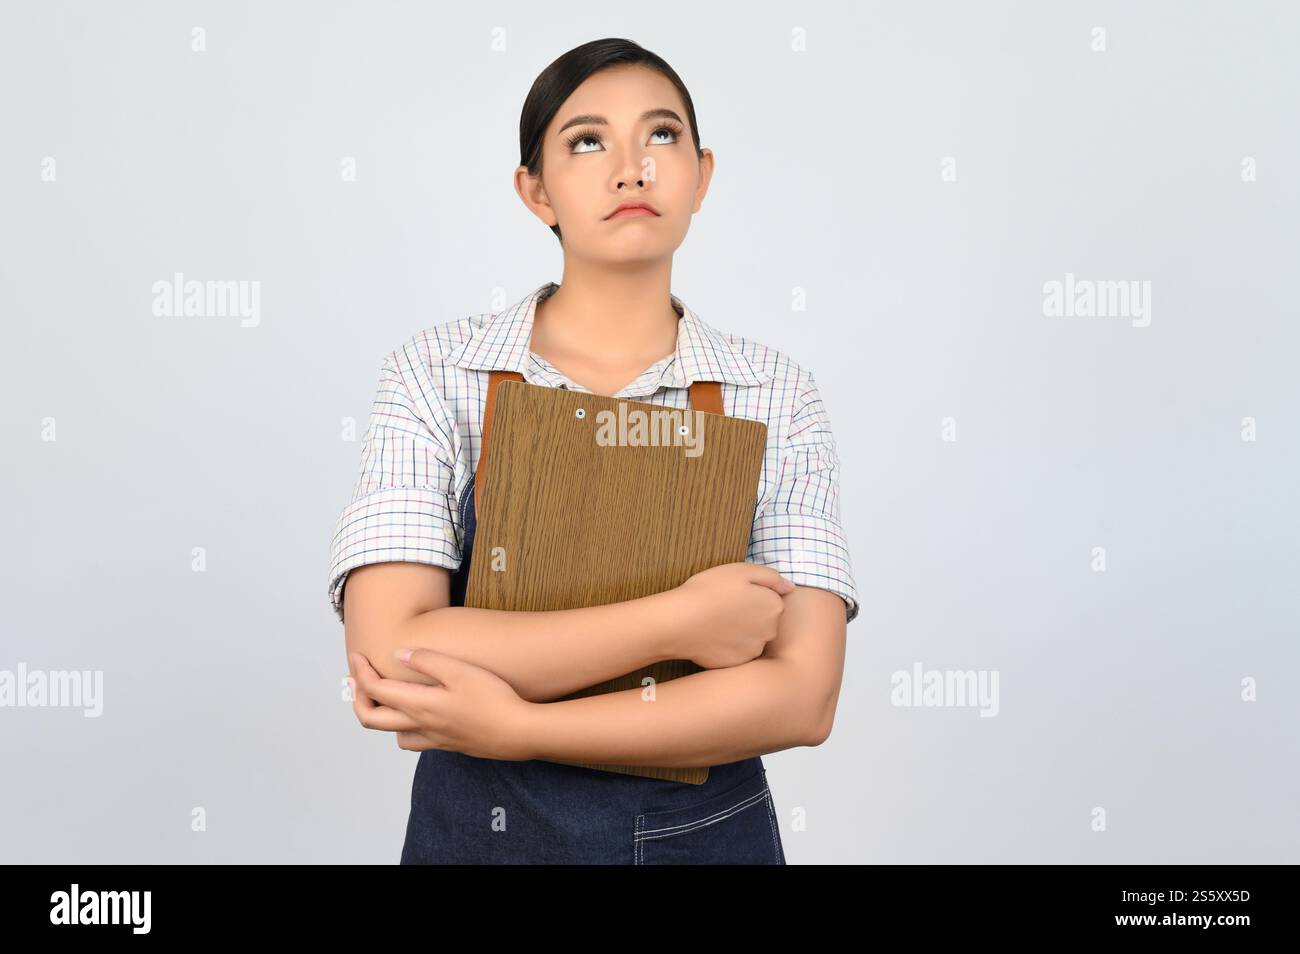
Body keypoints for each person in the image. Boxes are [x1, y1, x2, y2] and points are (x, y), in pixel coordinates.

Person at [328, 38, 860, 864]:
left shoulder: (775, 392)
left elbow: (802, 696)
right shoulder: (437, 373)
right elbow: (392, 654)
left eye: (661, 135)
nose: (630, 169)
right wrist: (680, 621)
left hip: (703, 843)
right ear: (535, 190)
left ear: (701, 176)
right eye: (586, 141)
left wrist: (519, 726)